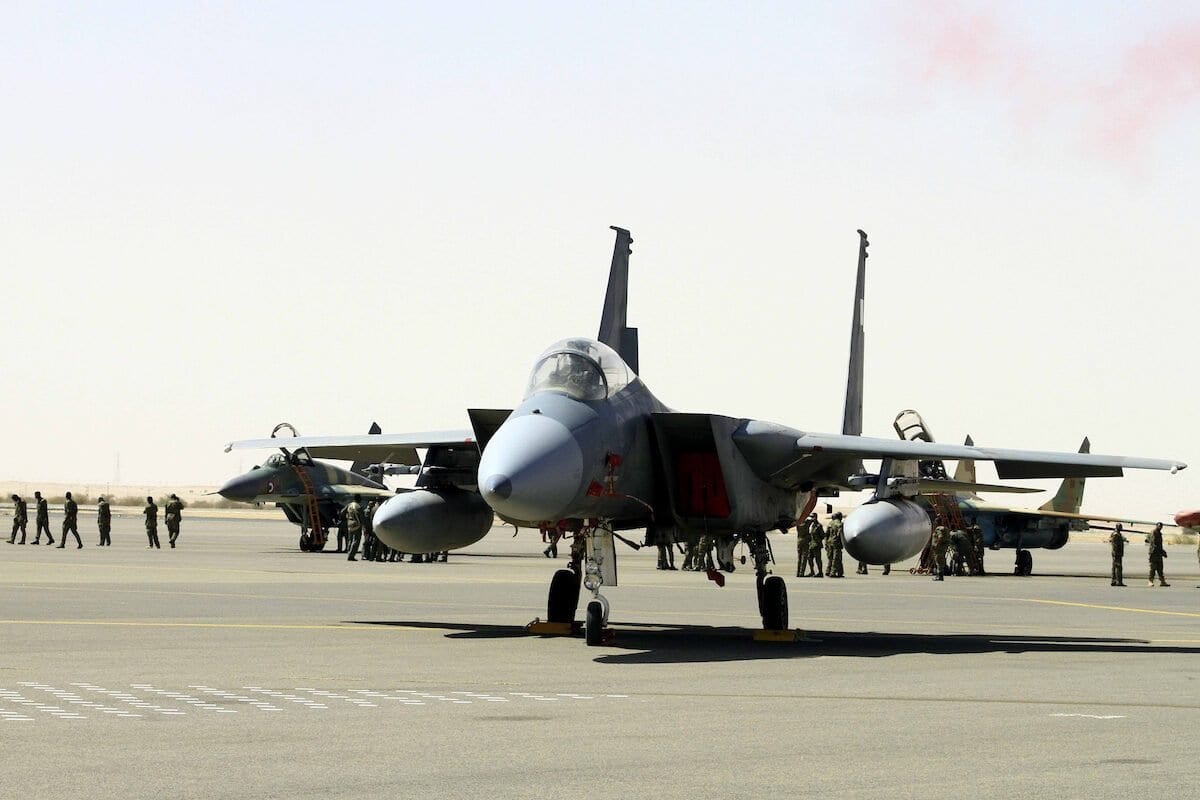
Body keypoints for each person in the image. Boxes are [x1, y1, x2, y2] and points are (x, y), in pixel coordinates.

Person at [1146, 521, 1169, 587]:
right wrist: (1161, 552)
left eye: (1161, 526)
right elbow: (1154, 544)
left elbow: (1159, 545)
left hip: (1158, 553)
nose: (1160, 527)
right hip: (1154, 553)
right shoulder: (1154, 532)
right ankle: (1150, 581)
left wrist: (1162, 552)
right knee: (1153, 568)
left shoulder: (1159, 533)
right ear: (1156, 526)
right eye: (1159, 526)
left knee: (1160, 568)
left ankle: (1162, 581)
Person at [825, 512, 845, 577]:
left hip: (830, 542)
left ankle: (829, 570)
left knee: (831, 557)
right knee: (836, 558)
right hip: (836, 542)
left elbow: (826, 534)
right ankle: (833, 572)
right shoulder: (839, 523)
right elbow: (840, 531)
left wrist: (826, 543)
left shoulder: (830, 523)